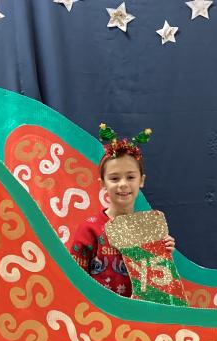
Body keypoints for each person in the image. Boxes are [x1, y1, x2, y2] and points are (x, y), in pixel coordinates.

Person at [70, 124, 175, 297]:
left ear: (141, 180)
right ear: (103, 183)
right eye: (114, 178)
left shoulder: (149, 229)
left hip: (139, 310)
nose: (123, 184)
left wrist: (164, 252)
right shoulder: (89, 229)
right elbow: (75, 280)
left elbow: (158, 282)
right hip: (101, 310)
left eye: (131, 177)